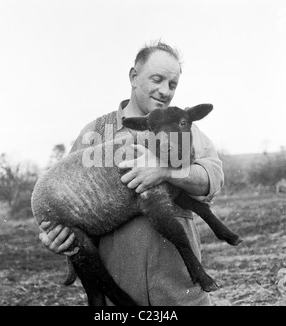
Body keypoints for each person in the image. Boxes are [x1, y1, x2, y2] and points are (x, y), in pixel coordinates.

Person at [37, 41, 224, 306]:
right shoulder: (95, 134)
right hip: (121, 302)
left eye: (172, 85)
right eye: (157, 79)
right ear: (134, 77)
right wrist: (52, 236)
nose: (164, 91)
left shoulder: (185, 129)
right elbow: (62, 198)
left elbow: (213, 178)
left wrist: (167, 171)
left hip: (182, 296)